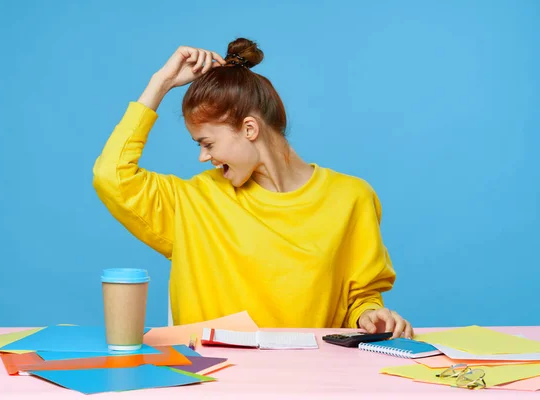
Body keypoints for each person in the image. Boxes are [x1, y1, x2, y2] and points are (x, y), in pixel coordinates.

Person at [93, 38, 413, 338]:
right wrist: (160, 83)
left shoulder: (351, 198)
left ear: (249, 128)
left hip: (313, 382)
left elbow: (361, 296)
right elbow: (111, 175)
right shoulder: (192, 201)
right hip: (215, 383)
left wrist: (370, 315)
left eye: (207, 143)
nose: (203, 157)